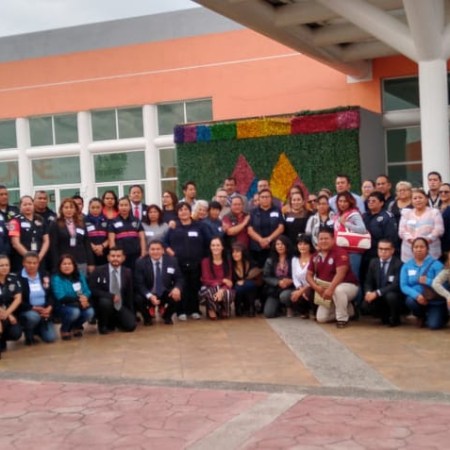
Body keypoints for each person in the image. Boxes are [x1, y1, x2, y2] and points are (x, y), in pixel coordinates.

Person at [306, 228, 358, 328]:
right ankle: (350, 311)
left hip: (347, 286)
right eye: (321, 239)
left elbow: (340, 274)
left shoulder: (340, 252)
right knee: (321, 318)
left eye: (326, 238)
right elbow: (308, 275)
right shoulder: (315, 256)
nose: (323, 241)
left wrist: (330, 289)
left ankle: (342, 319)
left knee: (338, 290)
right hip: (325, 289)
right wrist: (317, 288)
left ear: (333, 239)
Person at [165, 202, 208, 321]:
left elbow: (206, 242)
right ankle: (181, 311)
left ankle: (194, 310)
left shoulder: (199, 226)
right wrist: (170, 252)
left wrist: (203, 257)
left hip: (196, 262)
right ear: (177, 213)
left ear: (190, 211)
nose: (183, 212)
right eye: (180, 210)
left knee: (194, 286)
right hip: (178, 263)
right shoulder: (173, 227)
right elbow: (164, 242)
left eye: (186, 209)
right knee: (181, 286)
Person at [400, 237, 447, 329]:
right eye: (416, 247)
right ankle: (421, 315)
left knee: (434, 326)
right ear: (412, 249)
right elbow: (404, 285)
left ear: (427, 248)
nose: (419, 249)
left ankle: (442, 315)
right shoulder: (407, 265)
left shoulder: (437, 264)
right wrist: (417, 295)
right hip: (418, 299)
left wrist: (428, 281)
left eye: (422, 247)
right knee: (410, 301)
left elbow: (445, 284)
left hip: (434, 300)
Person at [134, 240, 183, 325]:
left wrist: (177, 288)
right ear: (148, 251)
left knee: (178, 295)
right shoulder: (140, 262)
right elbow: (139, 284)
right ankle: (147, 318)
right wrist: (149, 296)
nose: (155, 252)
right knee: (137, 298)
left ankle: (167, 316)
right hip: (149, 291)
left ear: (163, 250)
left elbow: (179, 278)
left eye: (158, 249)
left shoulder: (172, 261)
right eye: (152, 249)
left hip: (165, 291)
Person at [89, 247, 136, 334]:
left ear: (123, 258)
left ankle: (115, 321)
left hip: (120, 305)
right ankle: (103, 325)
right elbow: (92, 290)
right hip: (104, 305)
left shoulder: (127, 272)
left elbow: (129, 294)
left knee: (131, 326)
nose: (115, 258)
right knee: (105, 302)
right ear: (108, 257)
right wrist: (111, 296)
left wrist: (131, 313)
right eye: (113, 256)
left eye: (118, 256)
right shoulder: (98, 270)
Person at [51, 254, 94, 340]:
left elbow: (87, 290)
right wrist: (80, 300)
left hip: (79, 303)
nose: (67, 266)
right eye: (64, 264)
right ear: (59, 266)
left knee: (90, 312)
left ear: (74, 265)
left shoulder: (79, 275)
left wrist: (85, 298)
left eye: (69, 264)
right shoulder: (56, 278)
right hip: (62, 305)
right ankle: (65, 329)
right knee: (75, 312)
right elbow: (61, 297)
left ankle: (76, 327)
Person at [363, 239, 404, 327]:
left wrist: (377, 293)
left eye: (386, 249)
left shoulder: (398, 264)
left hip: (393, 295)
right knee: (365, 305)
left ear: (392, 250)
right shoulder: (373, 262)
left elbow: (396, 285)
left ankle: (395, 318)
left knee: (391, 296)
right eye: (380, 249)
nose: (383, 251)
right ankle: (383, 316)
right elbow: (368, 282)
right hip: (378, 296)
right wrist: (368, 292)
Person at [49, 198, 95, 275]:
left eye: (71, 207)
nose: (69, 210)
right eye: (66, 207)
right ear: (61, 209)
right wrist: (56, 264)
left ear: (75, 209)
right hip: (64, 262)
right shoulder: (55, 223)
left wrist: (91, 263)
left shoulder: (81, 222)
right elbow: (53, 246)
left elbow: (87, 243)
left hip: (81, 260)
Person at [18, 251, 56, 344]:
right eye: (29, 263)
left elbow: (51, 294)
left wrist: (49, 307)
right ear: (23, 263)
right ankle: (28, 333)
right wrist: (33, 308)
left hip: (44, 310)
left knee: (50, 338)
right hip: (28, 310)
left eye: (35, 263)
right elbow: (18, 300)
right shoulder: (18, 278)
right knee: (33, 317)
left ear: (38, 264)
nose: (32, 265)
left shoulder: (44, 275)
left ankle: (38, 329)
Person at [398, 188, 444, 262]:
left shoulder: (434, 212)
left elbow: (439, 230)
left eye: (420, 197)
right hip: (409, 253)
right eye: (415, 198)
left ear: (426, 199)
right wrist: (412, 240)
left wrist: (425, 241)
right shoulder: (406, 214)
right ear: (411, 201)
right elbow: (402, 231)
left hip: (431, 252)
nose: (418, 200)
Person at [361, 191, 398, 280]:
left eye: (374, 201)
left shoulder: (387, 217)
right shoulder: (364, 216)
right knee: (365, 277)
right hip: (365, 252)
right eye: (369, 201)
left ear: (381, 203)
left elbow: (391, 237)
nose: (370, 203)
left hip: (380, 253)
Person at [8, 195, 50, 273]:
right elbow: (15, 243)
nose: (28, 207)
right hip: (22, 260)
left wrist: (39, 256)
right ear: (20, 207)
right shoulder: (15, 221)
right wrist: (29, 258)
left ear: (33, 205)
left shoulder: (40, 219)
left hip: (39, 259)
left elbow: (46, 240)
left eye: (30, 204)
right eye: (25, 204)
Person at [333, 191, 368, 282]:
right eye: (340, 201)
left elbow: (362, 229)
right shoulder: (338, 214)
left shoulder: (354, 213)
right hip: (340, 250)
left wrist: (345, 223)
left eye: (345, 201)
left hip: (352, 251)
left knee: (353, 277)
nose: (342, 204)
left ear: (350, 202)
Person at [200, 237, 235, 320]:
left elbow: (229, 282)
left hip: (224, 288)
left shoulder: (228, 262)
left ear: (222, 247)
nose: (215, 247)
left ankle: (224, 308)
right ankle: (211, 308)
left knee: (228, 293)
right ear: (210, 247)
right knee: (212, 291)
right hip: (209, 289)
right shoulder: (205, 261)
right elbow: (206, 280)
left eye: (218, 245)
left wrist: (222, 290)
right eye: (213, 245)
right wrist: (222, 281)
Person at [248, 189, 284, 268]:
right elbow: (250, 230)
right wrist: (261, 240)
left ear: (271, 198)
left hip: (273, 246)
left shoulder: (277, 210)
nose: (265, 199)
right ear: (259, 199)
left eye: (267, 197)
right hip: (257, 247)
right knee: (257, 270)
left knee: (273, 268)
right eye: (262, 197)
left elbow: (281, 228)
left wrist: (268, 240)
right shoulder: (253, 212)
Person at [108, 196, 146, 270]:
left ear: (130, 207)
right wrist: (114, 255)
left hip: (136, 254)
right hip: (121, 255)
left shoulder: (136, 220)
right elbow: (111, 240)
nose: (124, 207)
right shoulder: (113, 221)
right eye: (121, 205)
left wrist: (143, 253)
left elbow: (142, 238)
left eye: (126, 205)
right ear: (118, 207)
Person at [262, 235, 294, 318]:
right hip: (275, 289)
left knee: (284, 296)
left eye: (282, 244)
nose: (280, 246)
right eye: (278, 244)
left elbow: (298, 275)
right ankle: (279, 308)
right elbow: (266, 276)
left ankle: (289, 307)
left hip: (290, 287)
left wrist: (291, 281)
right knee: (269, 314)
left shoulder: (293, 259)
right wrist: (278, 282)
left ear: (287, 245)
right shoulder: (270, 260)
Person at [0, 254, 22, 355]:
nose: (4, 268)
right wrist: (7, 314)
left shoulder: (13, 278)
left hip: (8, 311)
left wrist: (8, 313)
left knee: (16, 333)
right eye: (1, 265)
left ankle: (2, 340)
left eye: (6, 265)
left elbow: (18, 298)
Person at [231, 242, 258, 317]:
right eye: (233, 252)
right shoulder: (230, 265)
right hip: (236, 288)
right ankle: (238, 307)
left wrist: (245, 281)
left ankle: (251, 307)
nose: (235, 254)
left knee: (250, 284)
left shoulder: (250, 263)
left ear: (243, 252)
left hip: (249, 288)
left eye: (237, 251)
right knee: (238, 287)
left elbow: (257, 278)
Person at [290, 234, 314, 319]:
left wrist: (303, 290)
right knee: (293, 295)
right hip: (300, 286)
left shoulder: (314, 258)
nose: (302, 246)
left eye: (305, 244)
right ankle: (304, 312)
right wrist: (300, 289)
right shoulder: (294, 259)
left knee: (309, 294)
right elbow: (294, 277)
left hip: (312, 286)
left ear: (310, 245)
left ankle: (313, 310)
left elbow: (315, 278)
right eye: (300, 244)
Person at [85, 197, 109, 267]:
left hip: (104, 252)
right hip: (89, 253)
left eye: (98, 207)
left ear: (102, 208)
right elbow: (84, 237)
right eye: (93, 207)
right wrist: (94, 247)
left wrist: (101, 246)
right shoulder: (84, 220)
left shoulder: (107, 220)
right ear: (89, 208)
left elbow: (110, 237)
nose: (95, 210)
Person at [438, 183, 450, 255]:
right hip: (438, 247)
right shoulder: (437, 207)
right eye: (441, 192)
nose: (443, 194)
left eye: (446, 192)